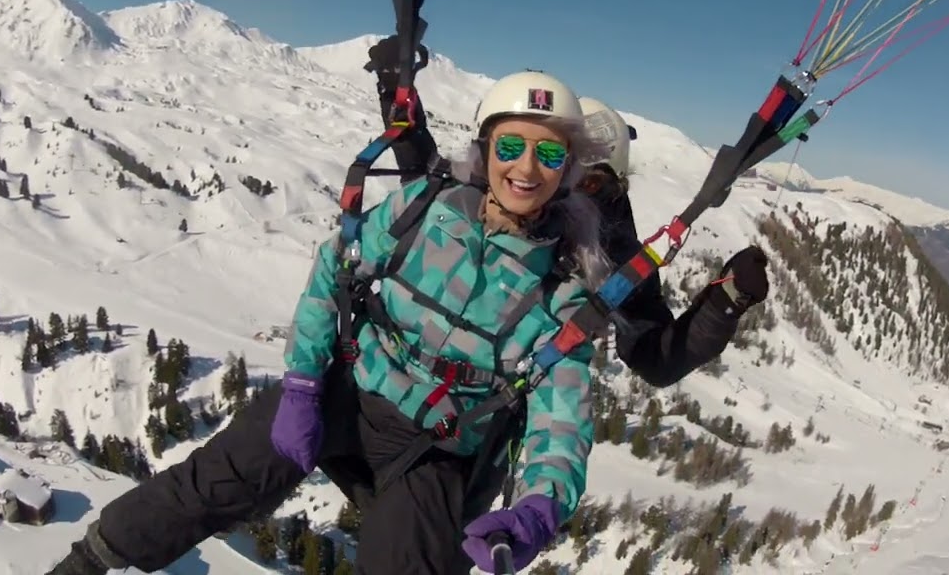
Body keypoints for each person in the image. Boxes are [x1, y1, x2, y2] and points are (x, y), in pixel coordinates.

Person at [49, 70, 618, 575]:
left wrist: (543, 504)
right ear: (486, 147)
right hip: (348, 388)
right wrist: (301, 381)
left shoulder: (560, 291)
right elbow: (335, 269)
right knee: (219, 477)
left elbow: (561, 419)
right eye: (511, 145)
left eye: (548, 154)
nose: (525, 167)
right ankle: (87, 564)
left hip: (434, 442)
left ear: (567, 170)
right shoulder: (423, 209)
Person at [364, 38, 770, 541]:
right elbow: (429, 190)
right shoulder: (507, 198)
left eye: (586, 180)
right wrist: (395, 91)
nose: (548, 182)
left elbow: (653, 354)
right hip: (402, 400)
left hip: (474, 436)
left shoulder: (614, 248)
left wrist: (723, 303)